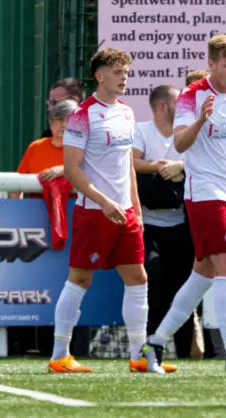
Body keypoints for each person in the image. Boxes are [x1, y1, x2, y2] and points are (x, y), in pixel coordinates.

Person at [141, 34, 226, 374]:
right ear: (212, 64)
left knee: (202, 276)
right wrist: (201, 119)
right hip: (203, 194)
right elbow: (181, 144)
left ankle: (154, 344)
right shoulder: (192, 95)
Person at [48, 48, 154, 373]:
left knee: (138, 278)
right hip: (94, 212)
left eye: (126, 72)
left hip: (125, 214)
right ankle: (59, 355)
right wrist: (105, 202)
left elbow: (127, 167)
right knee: (79, 279)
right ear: (100, 76)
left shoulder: (127, 112)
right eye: (118, 72)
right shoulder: (82, 114)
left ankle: (138, 356)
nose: (124, 77)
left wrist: (134, 207)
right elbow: (71, 169)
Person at [133, 85, 196, 362]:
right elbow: (130, 162)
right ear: (161, 106)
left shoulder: (187, 133)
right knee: (154, 279)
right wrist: (160, 166)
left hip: (182, 225)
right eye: (177, 103)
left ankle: (185, 353)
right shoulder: (141, 131)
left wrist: (180, 167)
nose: (183, 108)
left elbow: (202, 162)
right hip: (148, 224)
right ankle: (151, 348)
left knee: (185, 288)